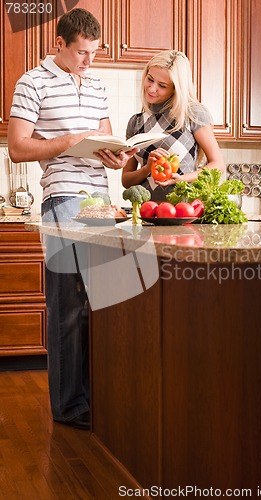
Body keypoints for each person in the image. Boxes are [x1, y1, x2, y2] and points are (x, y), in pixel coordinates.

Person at [8, 8, 138, 430]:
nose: (89, 61)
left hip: (99, 200)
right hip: (63, 196)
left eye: (94, 53)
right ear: (58, 45)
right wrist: (67, 142)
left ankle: (100, 396)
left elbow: (107, 140)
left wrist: (117, 155)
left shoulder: (96, 84)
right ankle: (69, 407)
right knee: (67, 304)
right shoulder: (32, 82)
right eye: (81, 53)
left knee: (104, 301)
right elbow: (18, 148)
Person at [122, 50, 225, 201]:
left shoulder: (192, 113)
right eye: (150, 79)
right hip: (146, 213)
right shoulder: (136, 122)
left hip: (184, 211)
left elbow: (218, 165)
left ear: (176, 88)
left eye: (162, 85)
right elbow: (126, 180)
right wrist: (146, 169)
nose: (151, 88)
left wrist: (182, 179)